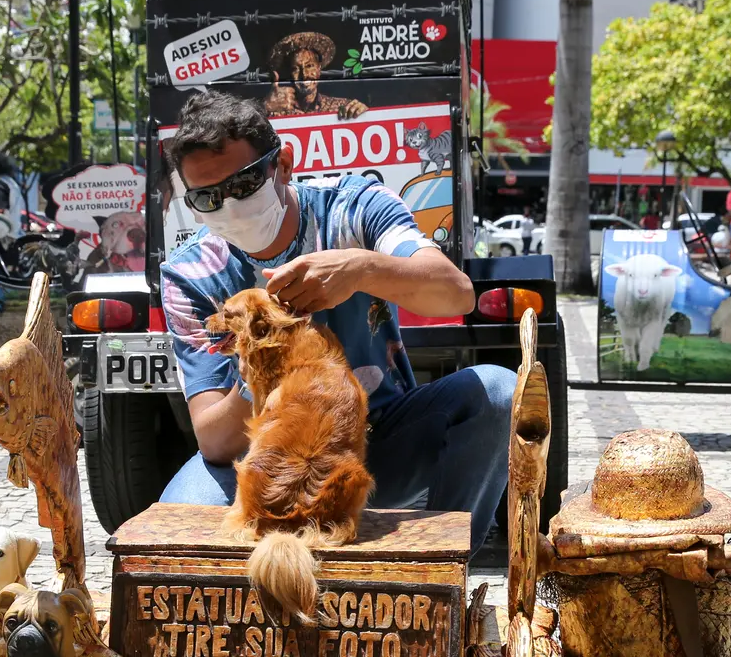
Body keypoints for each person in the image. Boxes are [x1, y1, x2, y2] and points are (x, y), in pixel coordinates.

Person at [156, 91, 514, 549]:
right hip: (266, 457)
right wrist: (262, 364)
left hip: (374, 442)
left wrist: (362, 269)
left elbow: (456, 294)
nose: (228, 205)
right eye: (207, 197)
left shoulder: (354, 207)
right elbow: (214, 441)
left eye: (243, 185)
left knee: (498, 392)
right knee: (180, 518)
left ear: (283, 165)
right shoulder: (189, 274)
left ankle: (445, 561)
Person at [264, 32, 368, 119]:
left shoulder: (341, 107)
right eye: (295, 69)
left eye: (309, 66)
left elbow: (367, 120)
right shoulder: (275, 110)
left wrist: (364, 113)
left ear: (319, 68)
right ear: (289, 73)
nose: (304, 75)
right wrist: (265, 106)